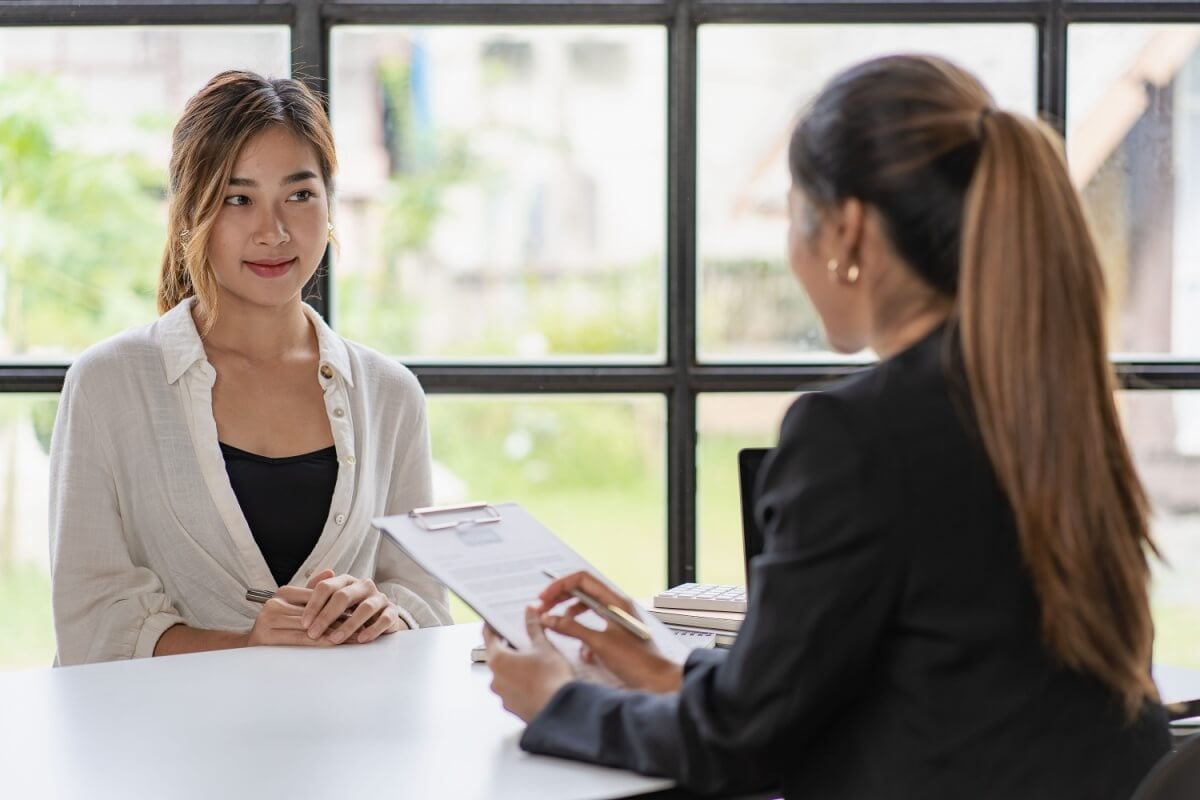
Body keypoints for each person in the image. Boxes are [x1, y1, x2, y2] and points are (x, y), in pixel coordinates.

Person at [484, 54, 1171, 798]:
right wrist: (662, 669)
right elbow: (926, 678)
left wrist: (558, 701)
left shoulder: (855, 434)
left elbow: (738, 747)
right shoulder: (1046, 399)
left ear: (845, 231)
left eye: (791, 214)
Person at [49, 71, 451, 666]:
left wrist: (383, 612)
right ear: (191, 213)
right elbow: (90, 619)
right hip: (162, 747)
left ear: (330, 205)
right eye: (239, 199)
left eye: (299, 194)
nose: (274, 230)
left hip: (350, 742)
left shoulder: (390, 394)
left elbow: (425, 603)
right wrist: (246, 646)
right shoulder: (109, 384)